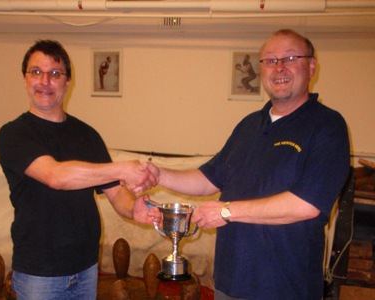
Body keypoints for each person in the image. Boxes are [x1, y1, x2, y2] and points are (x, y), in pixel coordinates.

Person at [147, 29, 350, 299]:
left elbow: (307, 205)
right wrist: (156, 173)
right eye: (269, 60)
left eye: (290, 57)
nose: (279, 68)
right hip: (230, 283)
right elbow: (208, 179)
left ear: (311, 65)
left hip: (286, 287)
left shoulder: (328, 126)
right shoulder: (249, 125)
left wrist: (227, 211)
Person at [0, 40, 158, 300]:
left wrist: (133, 208)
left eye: (55, 74)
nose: (45, 81)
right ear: (25, 79)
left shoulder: (88, 135)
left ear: (67, 81)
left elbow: (116, 193)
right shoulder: (14, 134)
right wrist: (122, 169)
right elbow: (56, 176)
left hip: (85, 267)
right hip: (39, 273)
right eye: (36, 72)